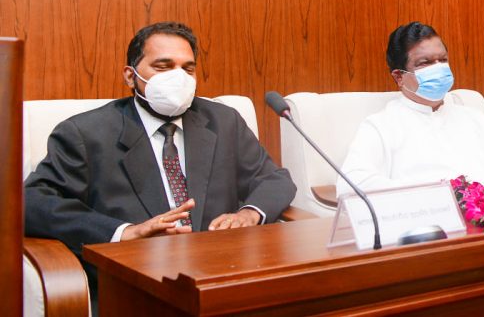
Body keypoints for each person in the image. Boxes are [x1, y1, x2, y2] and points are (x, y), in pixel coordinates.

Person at [24, 21, 295, 294]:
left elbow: (275, 179)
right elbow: (31, 203)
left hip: (220, 278)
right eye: (163, 67)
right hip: (134, 286)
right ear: (130, 76)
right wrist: (124, 232)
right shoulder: (86, 133)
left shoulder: (223, 122)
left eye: (187, 68)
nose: (178, 77)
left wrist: (249, 214)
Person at [337, 22, 484, 194]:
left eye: (443, 60)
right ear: (399, 77)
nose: (438, 68)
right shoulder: (381, 126)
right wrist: (429, 196)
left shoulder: (473, 118)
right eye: (425, 63)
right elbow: (351, 186)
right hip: (421, 224)